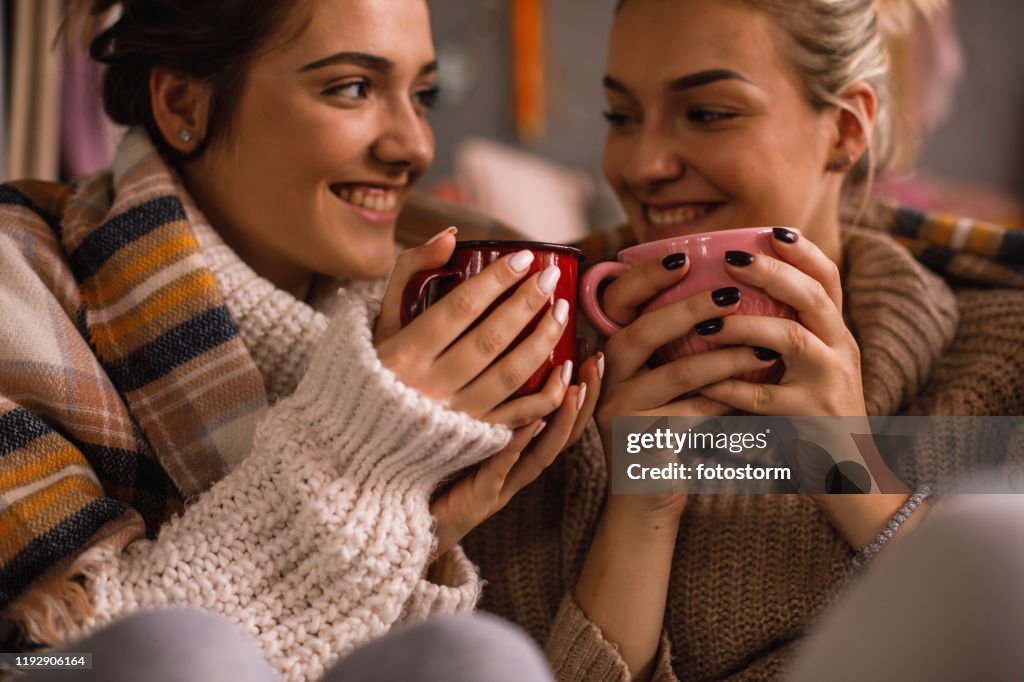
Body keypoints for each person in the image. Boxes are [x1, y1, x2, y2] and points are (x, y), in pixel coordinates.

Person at [0, 1, 604, 680]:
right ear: (181, 104)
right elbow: (49, 657)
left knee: (482, 658)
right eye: (352, 87)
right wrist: (352, 459)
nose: (417, 147)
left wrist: (412, 521)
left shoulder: (468, 281)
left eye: (423, 94)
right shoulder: (17, 282)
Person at [462, 0, 1024, 680]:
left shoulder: (998, 362)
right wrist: (640, 508)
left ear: (846, 130)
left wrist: (844, 468)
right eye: (622, 117)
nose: (642, 164)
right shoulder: (544, 391)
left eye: (707, 113)